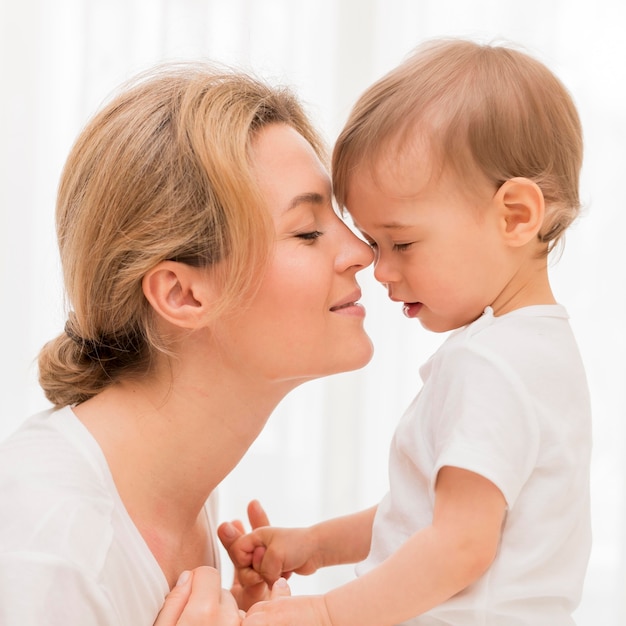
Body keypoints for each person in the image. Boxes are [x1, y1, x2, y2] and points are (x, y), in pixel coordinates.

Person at [223, 38, 593, 626]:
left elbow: (458, 547)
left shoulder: (490, 364)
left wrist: (325, 614)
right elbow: (424, 519)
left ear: (516, 216)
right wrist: (314, 545)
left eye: (402, 243)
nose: (379, 268)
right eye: (374, 243)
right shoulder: (538, 350)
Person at [0, 61, 375, 626]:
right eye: (306, 231)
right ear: (182, 293)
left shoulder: (179, 498)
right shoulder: (46, 544)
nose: (363, 252)